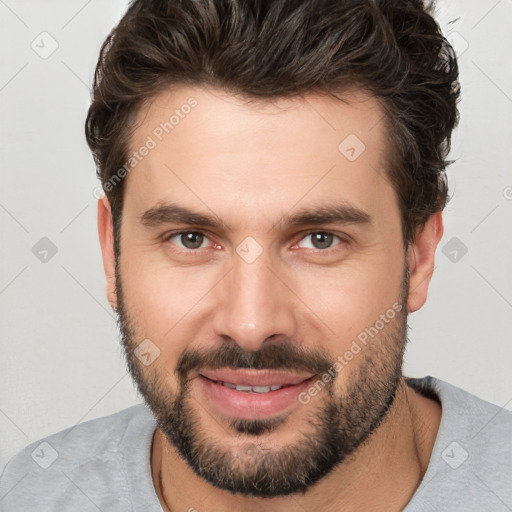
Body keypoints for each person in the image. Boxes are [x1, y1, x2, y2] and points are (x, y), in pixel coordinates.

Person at [1, 0, 511, 510]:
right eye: (191, 238)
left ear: (418, 255)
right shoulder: (28, 492)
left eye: (320, 239)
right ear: (112, 252)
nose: (250, 325)